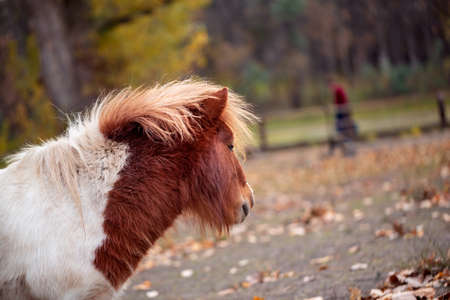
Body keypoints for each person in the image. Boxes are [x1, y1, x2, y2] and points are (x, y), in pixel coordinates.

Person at [328, 79, 358, 156]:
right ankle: (346, 149)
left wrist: (337, 110)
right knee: (343, 131)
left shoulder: (338, 90)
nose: (330, 89)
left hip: (342, 113)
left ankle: (348, 150)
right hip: (343, 113)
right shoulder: (339, 90)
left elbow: (340, 104)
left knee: (342, 131)